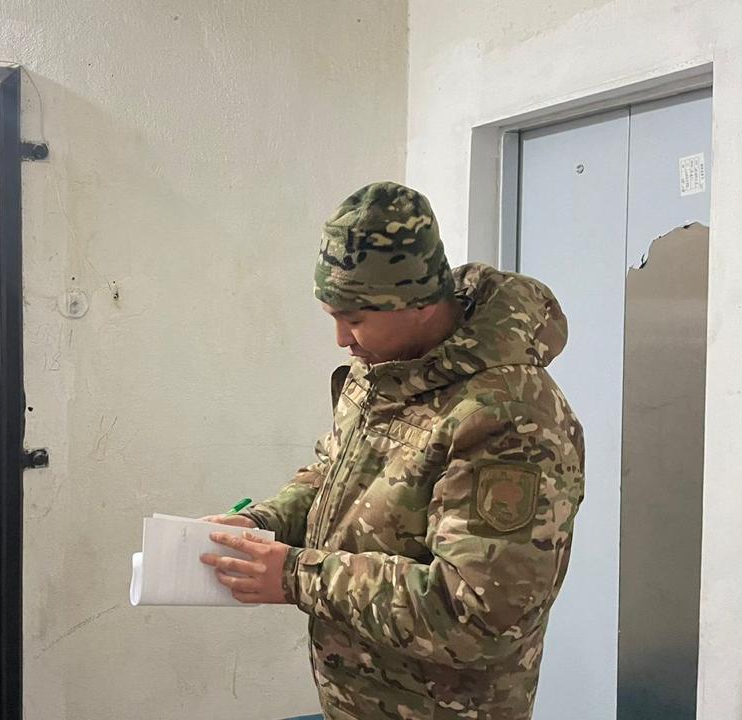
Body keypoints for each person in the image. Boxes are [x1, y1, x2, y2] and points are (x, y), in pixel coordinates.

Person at [200, 182, 585, 719]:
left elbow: (477, 613)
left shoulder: (506, 416)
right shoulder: (384, 369)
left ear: (420, 306)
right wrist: (263, 524)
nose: (342, 340)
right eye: (334, 316)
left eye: (355, 319)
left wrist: (294, 575)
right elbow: (334, 473)